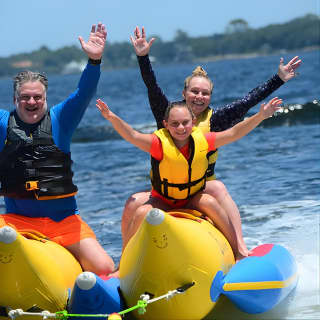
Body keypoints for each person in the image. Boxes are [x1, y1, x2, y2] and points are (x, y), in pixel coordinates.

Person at [121, 26, 302, 258]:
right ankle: (125, 261)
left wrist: (279, 79)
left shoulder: (216, 119)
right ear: (184, 93)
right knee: (132, 203)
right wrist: (142, 56)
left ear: (210, 97)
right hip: (165, 189)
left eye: (205, 93)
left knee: (217, 187)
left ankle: (240, 247)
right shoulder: (167, 113)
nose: (199, 97)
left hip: (199, 185)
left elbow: (249, 100)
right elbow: (151, 86)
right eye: (194, 91)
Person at [96, 97, 282, 260]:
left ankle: (238, 252)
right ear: (166, 125)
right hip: (164, 201)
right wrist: (112, 118)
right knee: (141, 212)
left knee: (210, 201)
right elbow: (132, 135)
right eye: (175, 124)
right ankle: (126, 263)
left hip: (192, 198)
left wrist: (260, 116)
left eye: (185, 122)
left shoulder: (204, 141)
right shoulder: (158, 144)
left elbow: (233, 133)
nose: (181, 128)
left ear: (193, 122)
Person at [0, 23, 115, 276]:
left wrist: (94, 61)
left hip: (63, 222)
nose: (32, 102)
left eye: (37, 97)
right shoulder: (2, 124)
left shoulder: (62, 118)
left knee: (105, 268)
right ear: (15, 100)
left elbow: (84, 93)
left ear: (46, 98)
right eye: (25, 97)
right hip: (16, 224)